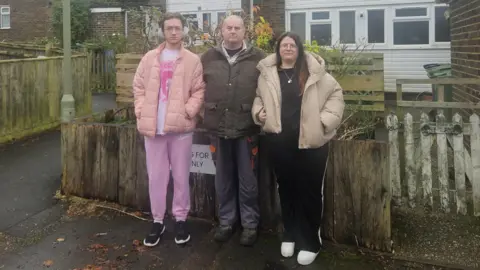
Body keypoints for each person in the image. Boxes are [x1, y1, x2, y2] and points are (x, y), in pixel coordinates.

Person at [252, 32, 345, 265]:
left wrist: (323, 122)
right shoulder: (268, 74)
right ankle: (290, 233)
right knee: (286, 189)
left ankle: (311, 240)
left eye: (292, 45)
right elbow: (258, 98)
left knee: (310, 192)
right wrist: (259, 113)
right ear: (278, 49)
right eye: (284, 45)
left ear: (299, 48)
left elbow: (336, 96)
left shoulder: (315, 72)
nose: (288, 48)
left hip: (311, 144)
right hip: (280, 143)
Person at [132, 12, 205, 247]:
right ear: (163, 31)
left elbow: (199, 90)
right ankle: (157, 220)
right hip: (154, 129)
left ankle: (181, 219)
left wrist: (189, 111)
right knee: (156, 178)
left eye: (177, 28)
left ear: (183, 30)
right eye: (169, 28)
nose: (173, 32)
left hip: (181, 129)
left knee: (181, 176)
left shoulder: (193, 60)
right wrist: (141, 111)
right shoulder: (149, 58)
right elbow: (139, 87)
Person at [201, 15, 265, 246]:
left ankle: (249, 225)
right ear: (221, 30)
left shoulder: (259, 58)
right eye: (229, 27)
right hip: (217, 129)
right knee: (223, 179)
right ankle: (226, 222)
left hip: (246, 128)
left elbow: (270, 89)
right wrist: (201, 111)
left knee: (248, 180)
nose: (233, 31)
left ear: (245, 31)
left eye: (237, 28)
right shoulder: (208, 57)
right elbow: (196, 88)